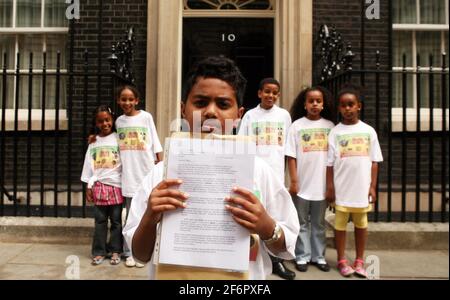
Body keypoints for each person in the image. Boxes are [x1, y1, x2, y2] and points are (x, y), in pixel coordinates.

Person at [122, 56, 300, 280]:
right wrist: (150, 217)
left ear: (239, 115)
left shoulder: (259, 171)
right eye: (200, 102)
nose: (210, 112)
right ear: (183, 109)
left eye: (223, 104)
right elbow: (140, 255)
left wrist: (266, 226)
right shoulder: (161, 174)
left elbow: (286, 245)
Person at [237, 78, 295, 280]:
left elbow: (288, 148)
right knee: (255, 219)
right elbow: (242, 144)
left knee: (274, 220)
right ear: (259, 93)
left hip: (277, 174)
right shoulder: (251, 116)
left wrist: (289, 176)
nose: (271, 95)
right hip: (255, 174)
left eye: (275, 92)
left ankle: (277, 262)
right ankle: (252, 260)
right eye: (267, 91)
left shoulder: (284, 116)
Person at [325, 86, 383, 278]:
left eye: (351, 105)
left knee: (361, 224)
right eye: (343, 105)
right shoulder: (335, 132)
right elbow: (330, 164)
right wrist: (330, 188)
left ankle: (359, 260)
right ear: (339, 109)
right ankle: (342, 260)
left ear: (359, 106)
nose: (347, 109)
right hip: (342, 189)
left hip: (361, 189)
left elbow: (374, 162)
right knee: (340, 225)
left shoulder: (369, 131)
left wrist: (372, 187)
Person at [285, 86, 335, 273]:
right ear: (304, 104)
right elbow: (291, 156)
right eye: (311, 101)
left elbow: (334, 159)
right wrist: (294, 180)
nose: (315, 104)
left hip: (321, 186)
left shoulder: (330, 127)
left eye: (318, 101)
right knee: (302, 222)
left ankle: (319, 256)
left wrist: (332, 185)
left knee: (319, 223)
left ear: (323, 104)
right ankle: (302, 256)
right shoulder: (297, 126)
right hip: (303, 184)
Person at [115, 85, 163, 267]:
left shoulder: (146, 117)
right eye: (123, 99)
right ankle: (130, 252)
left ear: (137, 100)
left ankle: (146, 251)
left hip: (146, 169)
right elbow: (111, 141)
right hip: (128, 172)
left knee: (147, 211)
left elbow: (155, 138)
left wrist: (160, 159)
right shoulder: (118, 121)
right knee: (129, 215)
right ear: (119, 101)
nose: (127, 102)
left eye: (130, 99)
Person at [81, 105, 123, 266]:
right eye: (100, 121)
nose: (104, 123)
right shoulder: (94, 141)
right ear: (96, 123)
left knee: (117, 221)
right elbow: (88, 164)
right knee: (100, 221)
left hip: (116, 186)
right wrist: (88, 186)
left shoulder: (119, 139)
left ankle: (115, 250)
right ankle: (98, 251)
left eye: (107, 120)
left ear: (112, 120)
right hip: (99, 186)